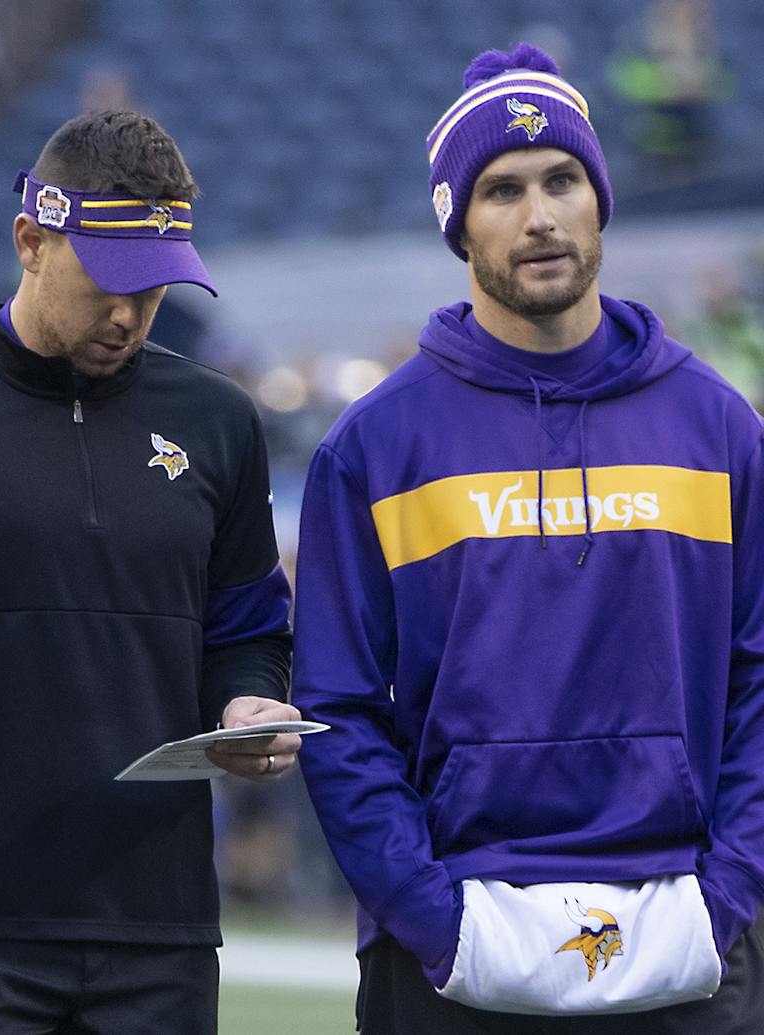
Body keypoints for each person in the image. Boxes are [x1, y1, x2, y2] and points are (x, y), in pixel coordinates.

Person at [293, 43, 764, 1033]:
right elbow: (333, 711)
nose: (539, 215)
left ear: (599, 201)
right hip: (454, 949)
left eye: (562, 180)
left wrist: (725, 896)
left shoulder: (717, 428)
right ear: (454, 224)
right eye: (500, 190)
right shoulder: (375, 446)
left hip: (684, 936)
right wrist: (430, 918)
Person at [0, 109, 303, 1034]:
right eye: (108, 281)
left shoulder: (219, 421)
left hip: (162, 928)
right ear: (30, 240)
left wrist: (248, 703)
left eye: (155, 287)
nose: (130, 313)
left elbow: (245, 632)